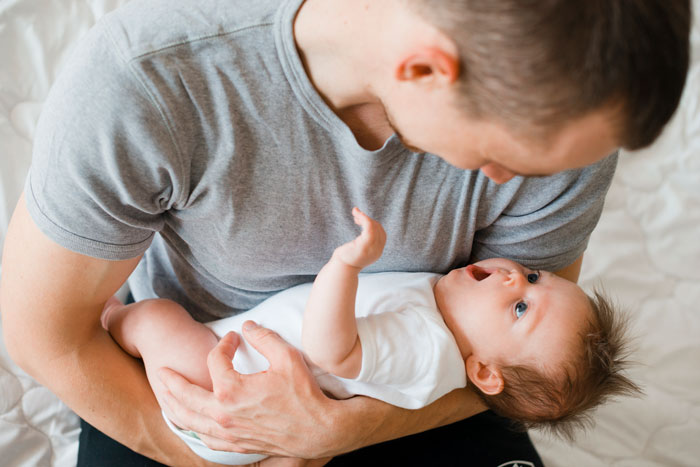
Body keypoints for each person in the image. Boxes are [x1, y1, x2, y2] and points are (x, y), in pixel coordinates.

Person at [0, 0, 690, 466]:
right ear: (424, 71)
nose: (513, 181)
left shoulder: (577, 109)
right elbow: (45, 334)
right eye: (505, 156)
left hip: (419, 399)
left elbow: (517, 369)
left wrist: (344, 427)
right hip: (187, 388)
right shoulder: (146, 81)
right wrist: (240, 448)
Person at [101, 208, 639, 465]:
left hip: (223, 390)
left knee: (153, 318)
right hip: (254, 410)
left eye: (520, 306)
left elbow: (330, 349)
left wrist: (345, 265)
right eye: (536, 277)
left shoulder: (426, 346)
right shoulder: (448, 319)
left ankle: (109, 322)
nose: (514, 275)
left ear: (482, 372)